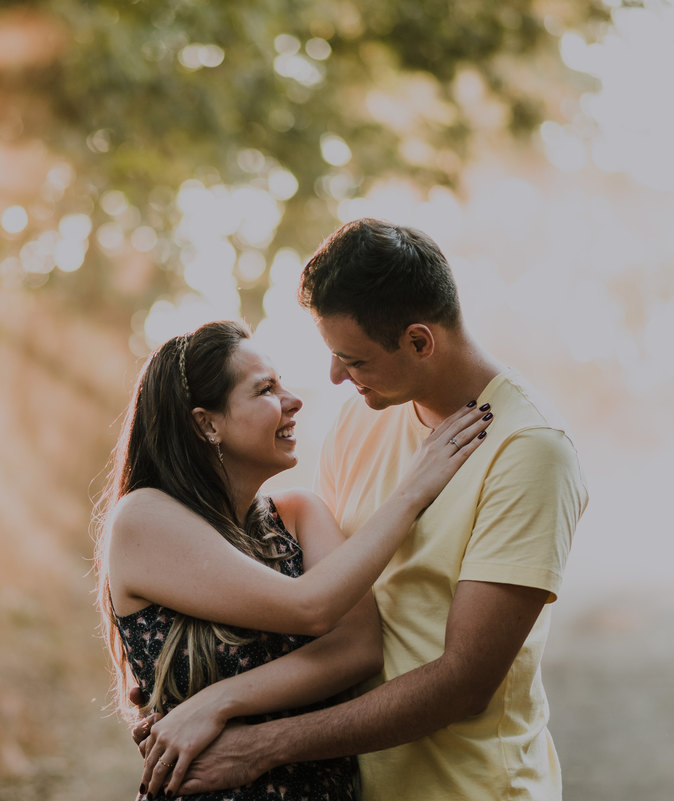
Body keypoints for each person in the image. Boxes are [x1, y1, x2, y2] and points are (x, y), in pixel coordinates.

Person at [141, 219, 588, 800]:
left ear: (420, 341)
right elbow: (329, 607)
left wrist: (261, 747)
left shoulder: (529, 450)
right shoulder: (362, 415)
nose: (334, 377)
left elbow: (463, 683)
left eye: (353, 360)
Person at [94, 318, 493, 800]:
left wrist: (216, 702)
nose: (293, 399)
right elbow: (311, 607)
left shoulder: (300, 514)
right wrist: (412, 492)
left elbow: (358, 646)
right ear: (207, 423)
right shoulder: (144, 518)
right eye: (265, 389)